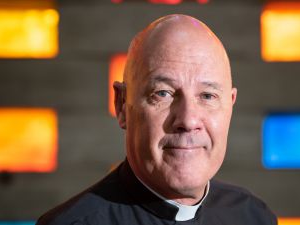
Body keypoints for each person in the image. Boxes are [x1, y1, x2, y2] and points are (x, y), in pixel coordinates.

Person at [37, 14, 277, 225]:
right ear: (122, 105)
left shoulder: (254, 216)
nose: (188, 120)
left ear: (230, 106)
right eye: (163, 93)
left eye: (207, 96)